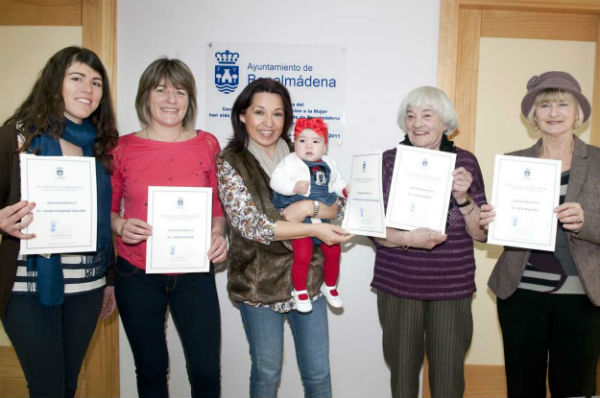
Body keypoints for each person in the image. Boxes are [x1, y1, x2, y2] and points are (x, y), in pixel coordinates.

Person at [216, 78, 351, 398]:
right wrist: (315, 227)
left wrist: (312, 206)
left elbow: (339, 204)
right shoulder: (230, 161)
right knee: (266, 372)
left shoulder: (304, 151)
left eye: (278, 114)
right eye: (259, 113)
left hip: (310, 281)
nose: (268, 123)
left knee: (318, 375)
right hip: (259, 285)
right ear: (242, 116)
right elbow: (252, 225)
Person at [0, 46, 118, 398]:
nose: (89, 89)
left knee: (66, 385)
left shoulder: (99, 147)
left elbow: (102, 219)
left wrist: (109, 280)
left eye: (97, 83)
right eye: (77, 78)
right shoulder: (17, 137)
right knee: (48, 388)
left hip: (87, 287)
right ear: (55, 84)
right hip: (29, 287)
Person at [110, 58, 226, 398]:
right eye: (161, 90)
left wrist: (218, 233)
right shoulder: (122, 147)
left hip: (194, 273)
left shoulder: (207, 144)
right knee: (150, 370)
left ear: (190, 99)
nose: (171, 99)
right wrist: (120, 226)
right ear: (146, 96)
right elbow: (109, 209)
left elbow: (217, 206)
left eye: (180, 91)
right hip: (136, 272)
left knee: (206, 372)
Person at [480, 71, 600, 398]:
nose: (554, 112)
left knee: (575, 389)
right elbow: (501, 227)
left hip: (582, 298)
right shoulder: (516, 162)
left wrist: (587, 221)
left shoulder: (599, 161)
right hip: (521, 295)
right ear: (533, 115)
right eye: (545, 105)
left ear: (579, 113)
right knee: (523, 389)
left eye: (564, 104)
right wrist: (491, 221)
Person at [372, 86, 487, 398]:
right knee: (403, 378)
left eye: (426, 115)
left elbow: (481, 233)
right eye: (410, 116)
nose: (417, 123)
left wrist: (463, 199)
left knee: (449, 381)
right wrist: (408, 239)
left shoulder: (466, 162)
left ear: (445, 123)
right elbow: (372, 228)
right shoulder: (388, 162)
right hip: (398, 284)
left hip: (451, 286)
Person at [270, 117, 347, 312]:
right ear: (294, 143)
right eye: (302, 140)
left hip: (322, 218)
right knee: (302, 254)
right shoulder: (290, 162)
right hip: (300, 221)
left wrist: (345, 189)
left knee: (334, 250)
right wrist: (293, 187)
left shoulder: (329, 163)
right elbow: (275, 181)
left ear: (325, 146)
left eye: (315, 141)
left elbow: (336, 183)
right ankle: (300, 291)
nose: (308, 146)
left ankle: (330, 286)